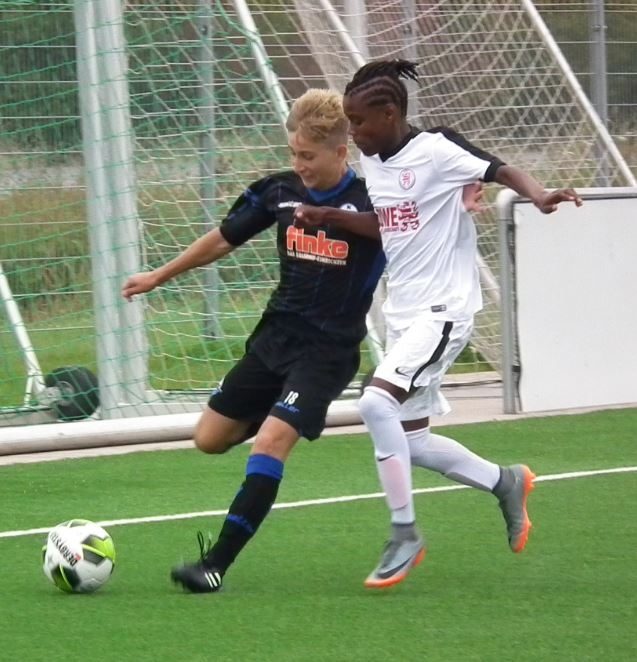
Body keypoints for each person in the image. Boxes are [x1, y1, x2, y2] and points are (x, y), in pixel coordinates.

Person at [294, 59, 583, 589]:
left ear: (389, 113)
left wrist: (539, 194)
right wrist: (331, 217)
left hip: (444, 310)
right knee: (415, 442)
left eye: (359, 122)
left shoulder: (437, 150)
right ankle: (505, 482)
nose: (353, 133)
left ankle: (404, 533)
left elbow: (500, 170)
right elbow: (391, 226)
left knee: (375, 403)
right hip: (404, 314)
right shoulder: (376, 160)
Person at [121, 89, 386, 593]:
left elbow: (420, 228)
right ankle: (283, 413)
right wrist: (159, 276)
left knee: (270, 442)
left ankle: (214, 565)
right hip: (274, 339)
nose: (299, 165)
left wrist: (463, 198)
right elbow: (224, 238)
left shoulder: (371, 203)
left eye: (308, 156)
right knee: (209, 439)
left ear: (340, 152)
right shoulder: (279, 191)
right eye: (294, 153)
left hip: (327, 353)